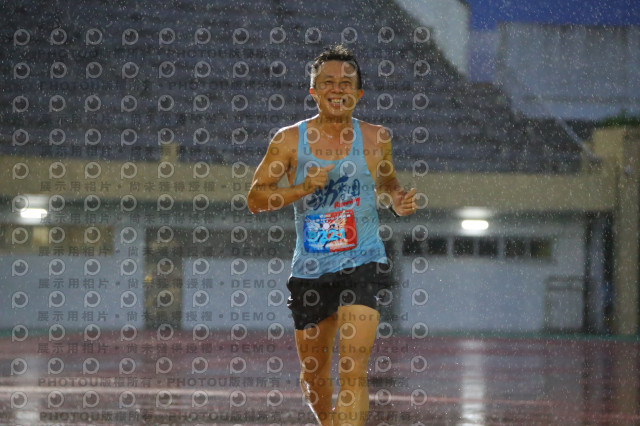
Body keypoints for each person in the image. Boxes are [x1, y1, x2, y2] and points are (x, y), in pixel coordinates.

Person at [247, 44, 417, 426]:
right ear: (313, 91)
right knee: (314, 378)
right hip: (310, 269)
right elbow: (255, 199)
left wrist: (396, 199)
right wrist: (301, 188)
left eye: (345, 83)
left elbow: (386, 180)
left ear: (359, 93)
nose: (337, 89)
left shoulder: (376, 138)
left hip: (363, 261)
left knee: (353, 370)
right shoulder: (288, 141)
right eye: (327, 82)